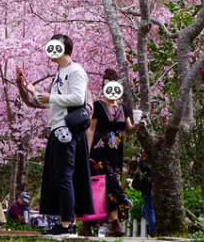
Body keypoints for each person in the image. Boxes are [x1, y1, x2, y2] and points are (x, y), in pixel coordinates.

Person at [32, 34, 94, 235]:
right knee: (61, 175)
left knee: (65, 175)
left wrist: (52, 97)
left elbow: (78, 97)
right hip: (58, 128)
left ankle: (66, 222)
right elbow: (52, 101)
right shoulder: (60, 72)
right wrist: (32, 91)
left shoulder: (76, 71)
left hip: (67, 129)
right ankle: (69, 220)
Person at [81, 68, 136, 237]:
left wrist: (138, 126)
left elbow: (128, 130)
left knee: (102, 189)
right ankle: (116, 220)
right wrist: (86, 153)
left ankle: (87, 225)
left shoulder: (123, 108)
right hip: (99, 153)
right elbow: (90, 130)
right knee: (107, 184)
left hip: (116, 155)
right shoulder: (98, 106)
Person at [134, 151, 155, 236]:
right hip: (156, 186)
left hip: (148, 187)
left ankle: (153, 231)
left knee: (150, 211)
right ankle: (152, 227)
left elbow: (140, 168)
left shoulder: (146, 155)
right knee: (145, 210)